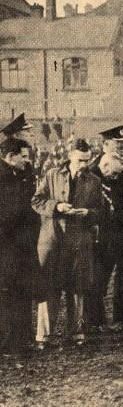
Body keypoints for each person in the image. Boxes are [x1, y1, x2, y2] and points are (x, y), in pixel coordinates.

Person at [32, 139, 107, 349]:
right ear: (70, 155)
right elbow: (36, 201)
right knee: (49, 288)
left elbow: (101, 212)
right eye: (80, 160)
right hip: (53, 240)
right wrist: (57, 207)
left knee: (77, 288)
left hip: (79, 242)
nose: (84, 164)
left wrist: (89, 214)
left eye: (87, 160)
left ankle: (76, 332)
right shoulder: (52, 175)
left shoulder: (94, 181)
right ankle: (44, 336)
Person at [88, 126, 123, 327]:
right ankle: (94, 318)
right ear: (105, 145)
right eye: (117, 144)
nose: (121, 147)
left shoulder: (122, 165)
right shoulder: (96, 168)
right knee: (102, 273)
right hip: (109, 230)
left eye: (122, 144)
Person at [0, 137, 38, 355]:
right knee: (7, 293)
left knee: (21, 290)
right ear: (10, 156)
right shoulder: (4, 176)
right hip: (7, 245)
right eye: (23, 156)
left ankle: (20, 339)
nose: (27, 160)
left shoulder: (20, 173)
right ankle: (8, 342)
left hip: (21, 243)